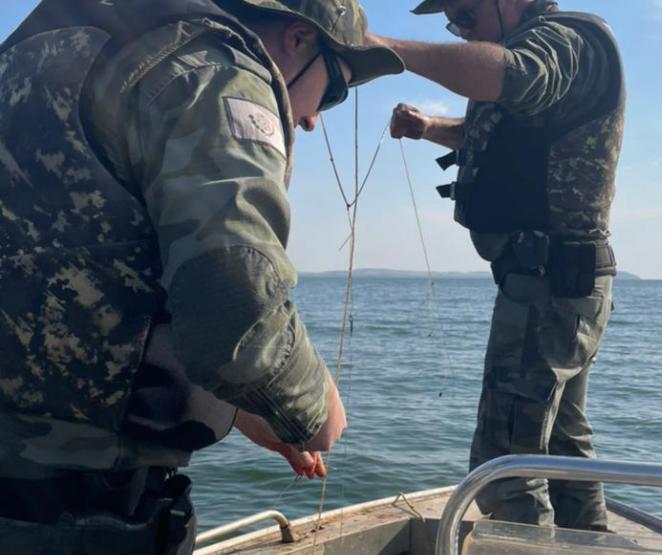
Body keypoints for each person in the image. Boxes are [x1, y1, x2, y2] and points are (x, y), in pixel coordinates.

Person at [0, 0, 403, 553]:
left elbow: (84, 270)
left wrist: (241, 406)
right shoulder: (214, 71)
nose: (314, 118)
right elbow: (232, 303)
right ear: (298, 39)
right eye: (334, 90)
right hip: (81, 508)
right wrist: (312, 409)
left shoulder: (38, 53)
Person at [366, 0, 625, 532]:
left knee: (504, 464)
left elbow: (515, 76)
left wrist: (379, 47)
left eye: (466, 14)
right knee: (562, 445)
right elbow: (493, 128)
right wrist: (427, 127)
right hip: (561, 285)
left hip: (549, 285)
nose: (461, 31)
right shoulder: (547, 55)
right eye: (452, 22)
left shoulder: (564, 41)